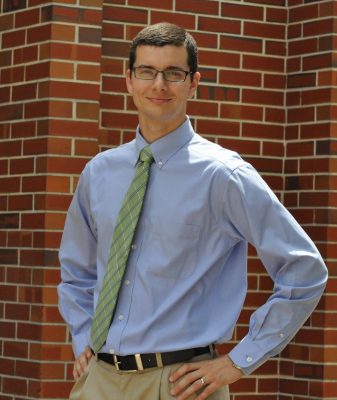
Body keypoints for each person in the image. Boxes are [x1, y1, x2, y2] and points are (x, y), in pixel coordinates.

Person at [58, 22, 328, 400]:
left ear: (193, 82)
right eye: (147, 71)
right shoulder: (99, 173)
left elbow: (304, 270)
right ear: (129, 80)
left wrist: (238, 361)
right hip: (99, 381)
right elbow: (76, 270)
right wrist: (82, 335)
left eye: (173, 73)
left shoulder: (225, 176)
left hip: (181, 385)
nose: (159, 85)